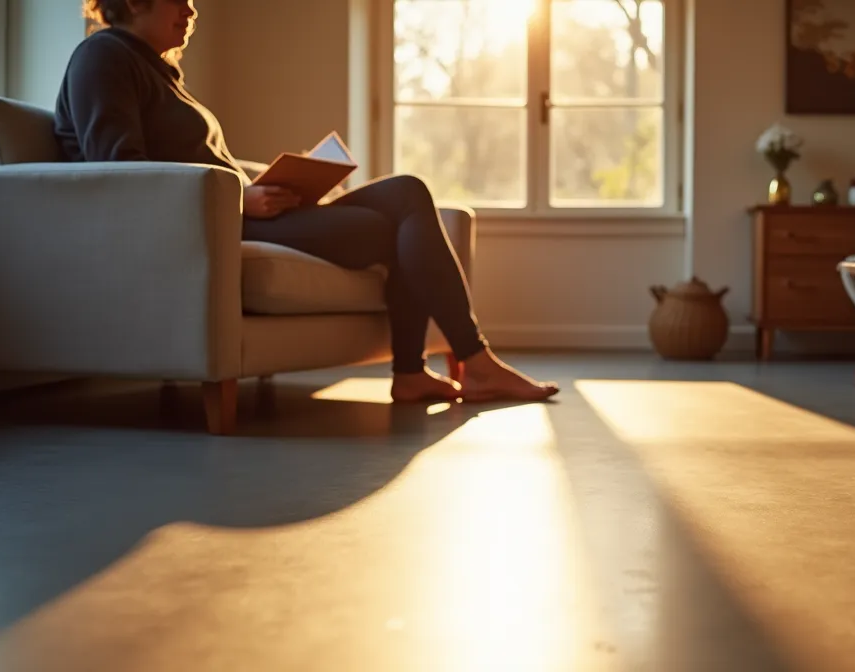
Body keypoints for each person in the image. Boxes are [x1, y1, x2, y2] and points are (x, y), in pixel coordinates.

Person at [55, 0, 559, 403]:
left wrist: (279, 189)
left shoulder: (159, 72)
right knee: (397, 230)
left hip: (244, 213)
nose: (192, 11)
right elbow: (121, 172)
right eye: (181, 0)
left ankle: (426, 371)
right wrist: (239, 203)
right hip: (213, 226)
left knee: (408, 192)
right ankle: (463, 363)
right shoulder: (103, 57)